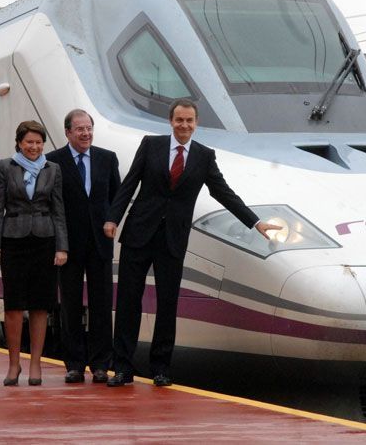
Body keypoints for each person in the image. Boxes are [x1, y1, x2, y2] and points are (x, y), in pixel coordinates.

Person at [103, 98, 280, 387]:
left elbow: (223, 192)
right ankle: (122, 367)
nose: (184, 126)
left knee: (168, 304)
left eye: (189, 121)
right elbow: (129, 183)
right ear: (170, 122)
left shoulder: (204, 156)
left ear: (196, 123)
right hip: (139, 232)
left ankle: (160, 368)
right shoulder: (151, 145)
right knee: (127, 302)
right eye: (179, 120)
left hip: (173, 238)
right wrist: (113, 218)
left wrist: (255, 221)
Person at [0, 121, 68, 386]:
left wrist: (62, 247)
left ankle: (35, 364)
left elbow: (59, 210)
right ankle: (14, 365)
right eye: (29, 142)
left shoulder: (52, 169)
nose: (34, 147)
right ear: (19, 143)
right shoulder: (5, 167)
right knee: (13, 305)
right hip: (13, 241)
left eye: (38, 142)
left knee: (40, 305)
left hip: (44, 242)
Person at [46, 110, 120, 384]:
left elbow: (117, 195)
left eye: (89, 128)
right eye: (80, 129)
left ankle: (101, 364)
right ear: (68, 132)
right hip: (68, 245)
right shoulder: (53, 161)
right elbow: (51, 203)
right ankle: (74, 364)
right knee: (70, 305)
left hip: (100, 242)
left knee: (102, 305)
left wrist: (112, 220)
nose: (86, 133)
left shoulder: (107, 158)